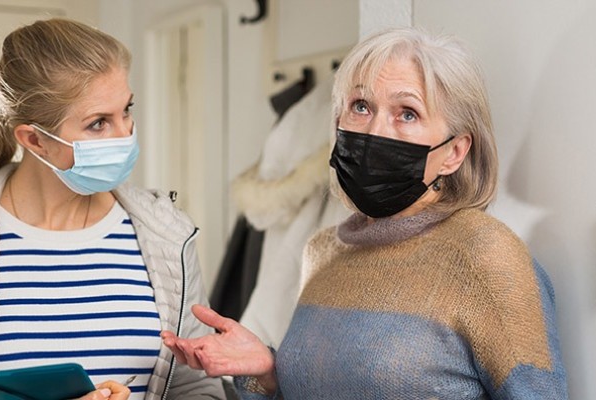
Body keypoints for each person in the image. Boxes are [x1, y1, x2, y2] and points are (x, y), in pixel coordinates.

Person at [161, 28, 569, 399]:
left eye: (406, 114)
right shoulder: (323, 251)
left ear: (454, 153)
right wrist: (268, 372)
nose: (375, 131)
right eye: (360, 106)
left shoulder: (487, 257)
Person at [0, 18, 224, 400]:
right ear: (34, 139)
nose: (126, 135)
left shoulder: (169, 232)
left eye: (127, 110)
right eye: (98, 123)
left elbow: (199, 388)